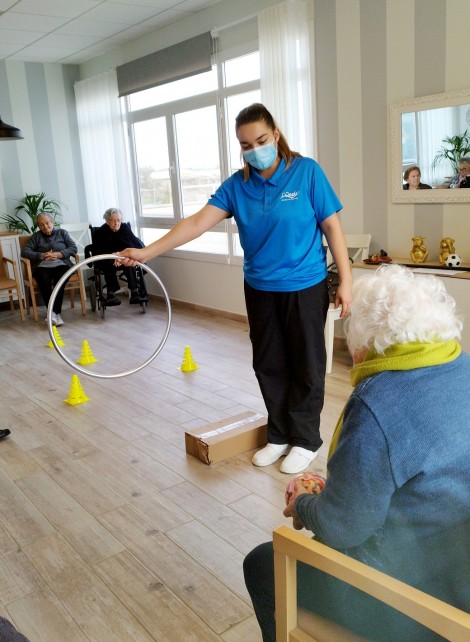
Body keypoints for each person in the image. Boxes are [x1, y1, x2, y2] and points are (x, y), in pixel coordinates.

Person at [243, 264, 470, 642]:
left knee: (264, 564)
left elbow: (343, 527)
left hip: (418, 609)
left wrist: (303, 504)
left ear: (365, 345)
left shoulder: (379, 403)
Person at [117, 103, 352, 474]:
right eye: (246, 145)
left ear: (275, 134)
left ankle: (306, 440)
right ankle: (279, 434)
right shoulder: (237, 186)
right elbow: (196, 223)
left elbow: (332, 227)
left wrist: (347, 281)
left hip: (304, 285)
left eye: (261, 140)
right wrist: (147, 252)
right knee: (268, 363)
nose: (254, 150)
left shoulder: (306, 172)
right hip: (259, 287)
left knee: (306, 363)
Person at [21, 213, 77, 326]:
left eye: (47, 223)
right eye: (41, 225)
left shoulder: (62, 233)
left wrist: (58, 254)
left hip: (61, 264)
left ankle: (53, 313)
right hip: (42, 266)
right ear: (38, 226)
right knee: (43, 280)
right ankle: (55, 314)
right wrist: (42, 256)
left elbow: (73, 248)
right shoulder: (36, 237)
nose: (45, 227)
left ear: (52, 222)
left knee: (60, 281)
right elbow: (24, 251)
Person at [91, 208, 147, 306]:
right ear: (107, 221)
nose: (116, 223)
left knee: (129, 261)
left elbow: (134, 243)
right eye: (113, 221)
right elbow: (99, 250)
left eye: (118, 220)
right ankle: (111, 294)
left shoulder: (125, 228)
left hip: (123, 258)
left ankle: (134, 292)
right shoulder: (101, 231)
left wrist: (121, 256)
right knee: (108, 263)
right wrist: (113, 257)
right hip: (109, 259)